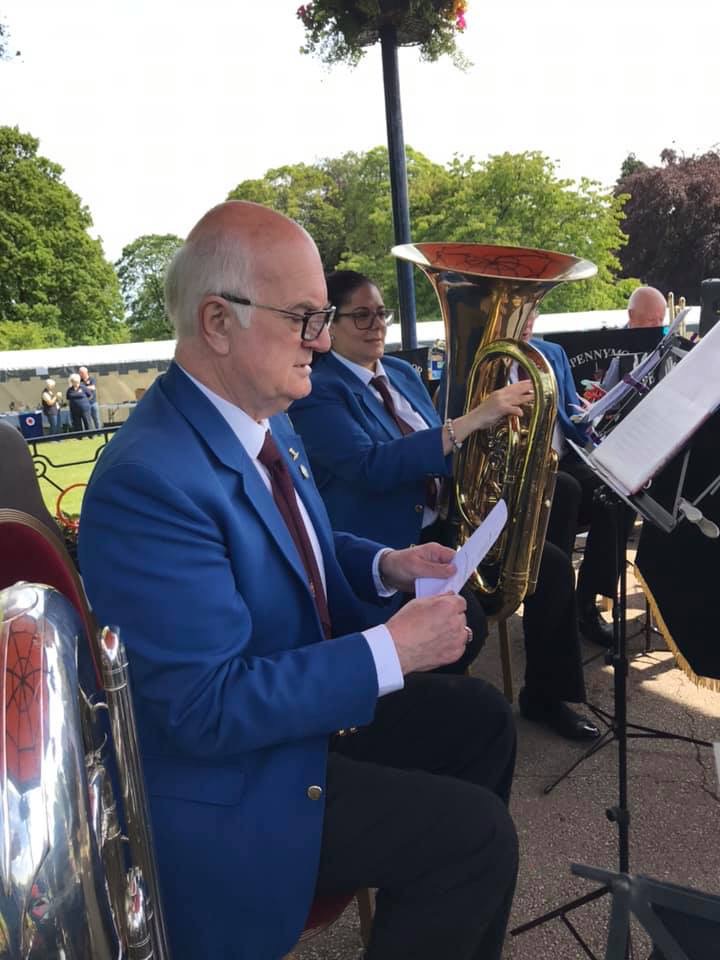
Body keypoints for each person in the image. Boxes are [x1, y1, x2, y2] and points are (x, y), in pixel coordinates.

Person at [78, 201, 518, 960]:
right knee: (474, 841)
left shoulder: (267, 414)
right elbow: (204, 709)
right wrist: (390, 652)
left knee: (484, 722)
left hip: (299, 722)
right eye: (305, 316)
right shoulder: (148, 480)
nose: (323, 338)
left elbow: (301, 541)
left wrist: (385, 563)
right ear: (218, 322)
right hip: (238, 782)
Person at [291, 270, 600, 742]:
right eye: (360, 316)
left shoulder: (400, 372)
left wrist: (507, 461)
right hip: (389, 542)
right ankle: (446, 722)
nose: (376, 325)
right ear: (329, 324)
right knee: (468, 611)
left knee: (551, 564)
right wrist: (473, 421)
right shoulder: (320, 390)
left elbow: (446, 448)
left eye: (381, 313)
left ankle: (546, 695)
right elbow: (371, 464)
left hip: (444, 522)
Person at [520, 308, 635, 646]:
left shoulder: (552, 352)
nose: (527, 320)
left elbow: (570, 410)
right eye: (519, 312)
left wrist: (590, 415)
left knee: (619, 488)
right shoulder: (482, 358)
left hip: (564, 458)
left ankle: (585, 603)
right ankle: (550, 609)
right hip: (517, 474)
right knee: (566, 492)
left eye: (532, 311)